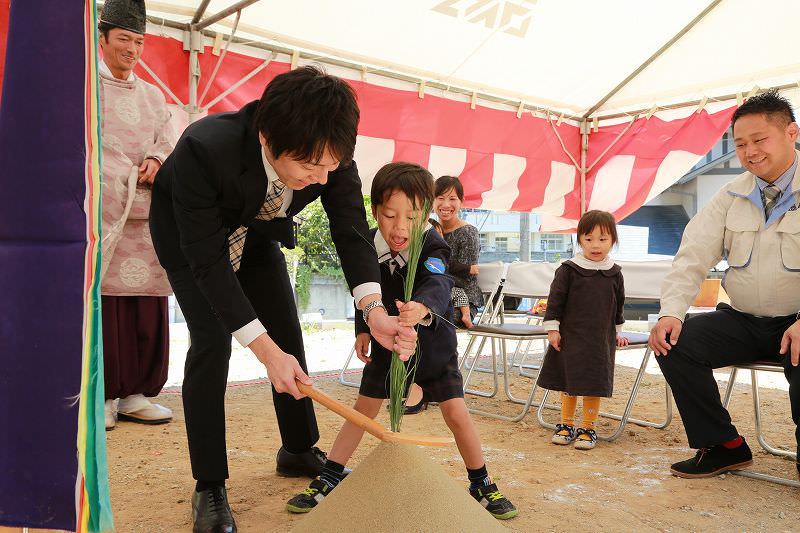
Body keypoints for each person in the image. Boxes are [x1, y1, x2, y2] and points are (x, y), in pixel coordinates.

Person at [149, 67, 417, 533]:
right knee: (213, 340)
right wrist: (264, 351)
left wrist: (372, 310)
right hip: (192, 242)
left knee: (287, 330)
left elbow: (352, 231)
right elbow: (208, 264)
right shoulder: (203, 149)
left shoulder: (329, 153)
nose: (321, 175)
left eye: (330, 166)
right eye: (310, 167)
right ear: (267, 135)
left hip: (256, 234)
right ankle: (209, 484)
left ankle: (297, 447)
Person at [285, 162, 518, 520]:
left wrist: (422, 307)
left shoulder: (433, 243)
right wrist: (362, 328)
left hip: (435, 348)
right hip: (387, 346)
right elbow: (363, 290)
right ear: (375, 209)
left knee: (456, 413)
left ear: (425, 213)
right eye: (389, 215)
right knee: (363, 412)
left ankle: (481, 481)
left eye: (411, 216)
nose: (400, 227)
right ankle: (330, 475)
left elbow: (440, 284)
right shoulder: (367, 244)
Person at [648, 89, 800, 479]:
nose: (750, 152)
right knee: (673, 342)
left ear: (792, 134)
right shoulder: (730, 195)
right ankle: (724, 446)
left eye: (759, 140)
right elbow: (691, 257)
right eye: (742, 143)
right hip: (745, 319)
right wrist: (671, 313)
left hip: (798, 321)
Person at [98, 0, 177, 430]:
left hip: (146, 213)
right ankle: (104, 394)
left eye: (139, 41)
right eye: (124, 39)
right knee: (108, 305)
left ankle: (136, 393)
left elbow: (167, 137)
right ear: (103, 38)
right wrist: (121, 178)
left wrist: (157, 160)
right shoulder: (85, 89)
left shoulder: (152, 95)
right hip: (105, 212)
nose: (132, 49)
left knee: (146, 303)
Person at [536, 210, 628, 450]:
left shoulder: (614, 272)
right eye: (589, 239)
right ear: (579, 240)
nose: (595, 245)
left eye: (603, 239)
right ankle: (566, 424)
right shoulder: (569, 269)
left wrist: (618, 331)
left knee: (593, 380)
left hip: (600, 339)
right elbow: (555, 301)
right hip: (571, 336)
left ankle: (589, 427)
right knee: (569, 379)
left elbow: (619, 304)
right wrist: (552, 329)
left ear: (613, 240)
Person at [434, 175, 482, 329]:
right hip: (434, 292)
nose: (446, 204)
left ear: (461, 201)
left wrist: (434, 276)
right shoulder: (428, 230)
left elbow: (466, 277)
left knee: (432, 320)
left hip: (463, 299)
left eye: (453, 199)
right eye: (440, 198)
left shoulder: (468, 232)